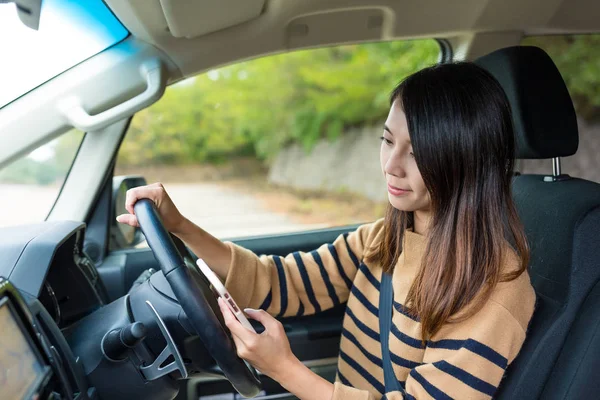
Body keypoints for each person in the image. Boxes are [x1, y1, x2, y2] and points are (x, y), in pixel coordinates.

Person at [117, 62, 536, 400]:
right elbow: (279, 283)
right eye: (388, 140)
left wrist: (284, 369)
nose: (391, 164)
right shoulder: (384, 238)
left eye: (419, 152)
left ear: (466, 161)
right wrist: (180, 225)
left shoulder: (492, 292)